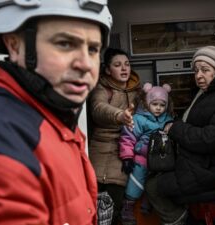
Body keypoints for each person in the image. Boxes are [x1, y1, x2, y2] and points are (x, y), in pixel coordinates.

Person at [0, 1, 112, 225]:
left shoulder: (53, 118)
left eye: (93, 49)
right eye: (65, 43)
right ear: (14, 45)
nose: (86, 64)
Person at [145, 46, 215, 225]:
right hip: (197, 163)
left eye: (205, 70)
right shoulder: (204, 93)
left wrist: (175, 129)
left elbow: (212, 138)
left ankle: (178, 219)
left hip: (210, 172)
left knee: (154, 187)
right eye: (196, 70)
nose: (198, 75)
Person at [88, 47, 141, 225]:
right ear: (108, 70)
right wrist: (120, 115)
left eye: (127, 64)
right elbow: (98, 108)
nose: (124, 68)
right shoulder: (102, 89)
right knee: (99, 211)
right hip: (100, 154)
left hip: (125, 154)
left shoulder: (138, 92)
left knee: (115, 209)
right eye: (118, 65)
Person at [119, 82, 174, 225]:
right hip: (142, 156)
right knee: (136, 180)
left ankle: (147, 204)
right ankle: (128, 205)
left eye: (162, 105)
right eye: (154, 104)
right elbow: (128, 138)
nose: (158, 108)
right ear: (147, 103)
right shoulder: (139, 119)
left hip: (160, 160)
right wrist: (127, 157)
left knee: (156, 183)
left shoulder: (168, 120)